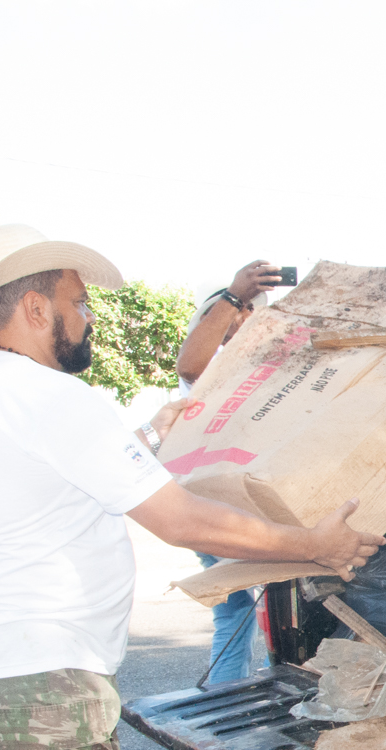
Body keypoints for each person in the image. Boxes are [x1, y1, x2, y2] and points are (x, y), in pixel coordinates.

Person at [0, 224, 386, 750]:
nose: (88, 317)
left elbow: (44, 489)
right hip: (44, 681)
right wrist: (312, 544)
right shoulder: (50, 397)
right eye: (77, 302)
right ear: (33, 308)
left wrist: (140, 437)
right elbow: (181, 521)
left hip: (19, 677)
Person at [174, 261, 283, 684]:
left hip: (238, 500)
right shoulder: (214, 363)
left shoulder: (255, 365)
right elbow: (190, 367)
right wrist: (235, 294)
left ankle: (231, 690)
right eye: (247, 312)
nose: (255, 321)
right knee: (239, 609)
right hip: (224, 504)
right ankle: (224, 695)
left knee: (243, 610)